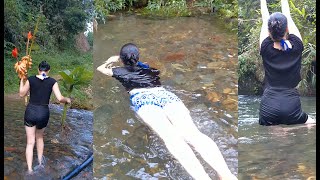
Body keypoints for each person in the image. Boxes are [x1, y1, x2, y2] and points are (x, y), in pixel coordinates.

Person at [96, 43, 237, 180]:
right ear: (137, 58)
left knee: (172, 138)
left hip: (144, 101)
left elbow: (100, 68)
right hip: (166, 96)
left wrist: (110, 60)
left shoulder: (119, 71)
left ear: (121, 59)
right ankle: (226, 175)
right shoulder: (149, 69)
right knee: (193, 134)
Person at [258, 0, 316, 125]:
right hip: (291, 106)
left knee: (273, 135)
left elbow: (265, 18)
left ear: (269, 32)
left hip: (268, 107)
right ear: (287, 28)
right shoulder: (297, 45)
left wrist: (263, 2)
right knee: (311, 124)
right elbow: (287, 16)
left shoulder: (265, 48)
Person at [19, 61, 71, 174]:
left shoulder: (31, 79)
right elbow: (59, 98)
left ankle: (29, 170)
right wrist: (67, 99)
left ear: (38, 69)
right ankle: (40, 164)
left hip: (31, 111)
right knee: (40, 138)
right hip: (43, 112)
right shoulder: (52, 81)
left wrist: (22, 80)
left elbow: (21, 94)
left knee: (30, 142)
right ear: (48, 71)